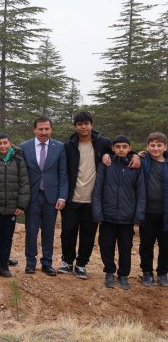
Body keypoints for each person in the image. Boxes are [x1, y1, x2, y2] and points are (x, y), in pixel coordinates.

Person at [59, 112, 114, 279]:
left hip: (93, 200)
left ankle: (82, 264)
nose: (84, 127)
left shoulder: (104, 143)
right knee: (68, 232)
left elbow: (121, 151)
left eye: (87, 123)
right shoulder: (68, 145)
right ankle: (68, 262)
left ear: (92, 124)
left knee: (88, 234)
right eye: (80, 124)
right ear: (75, 126)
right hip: (71, 198)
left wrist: (134, 155)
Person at [92, 135, 145, 290]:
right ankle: (109, 272)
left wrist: (138, 215)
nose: (121, 150)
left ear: (129, 148)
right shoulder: (106, 164)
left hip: (127, 217)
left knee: (125, 247)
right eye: (118, 147)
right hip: (107, 216)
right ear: (113, 148)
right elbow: (97, 190)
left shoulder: (135, 166)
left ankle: (123, 274)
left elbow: (141, 192)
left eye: (124, 147)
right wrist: (97, 212)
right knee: (106, 245)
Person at [20, 117, 67, 276]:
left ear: (51, 130)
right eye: (40, 129)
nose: (44, 132)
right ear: (34, 130)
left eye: (47, 129)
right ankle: (30, 263)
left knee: (48, 231)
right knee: (31, 230)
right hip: (32, 196)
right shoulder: (24, 147)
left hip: (51, 196)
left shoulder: (59, 147)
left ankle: (47, 263)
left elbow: (63, 173)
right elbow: (21, 174)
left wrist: (62, 197)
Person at [0, 134, 30, 278]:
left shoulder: (18, 160)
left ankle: (4, 266)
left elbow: (24, 183)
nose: (2, 146)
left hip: (11, 207)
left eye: (5, 143)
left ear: (10, 144)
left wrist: (21, 205)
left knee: (7, 237)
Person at [139, 132, 168, 287]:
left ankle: (163, 273)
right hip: (147, 212)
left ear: (165, 146)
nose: (156, 148)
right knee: (146, 245)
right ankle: (147, 272)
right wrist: (135, 154)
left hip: (165, 213)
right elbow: (128, 158)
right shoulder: (143, 161)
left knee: (165, 246)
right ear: (147, 146)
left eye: (159, 145)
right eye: (152, 145)